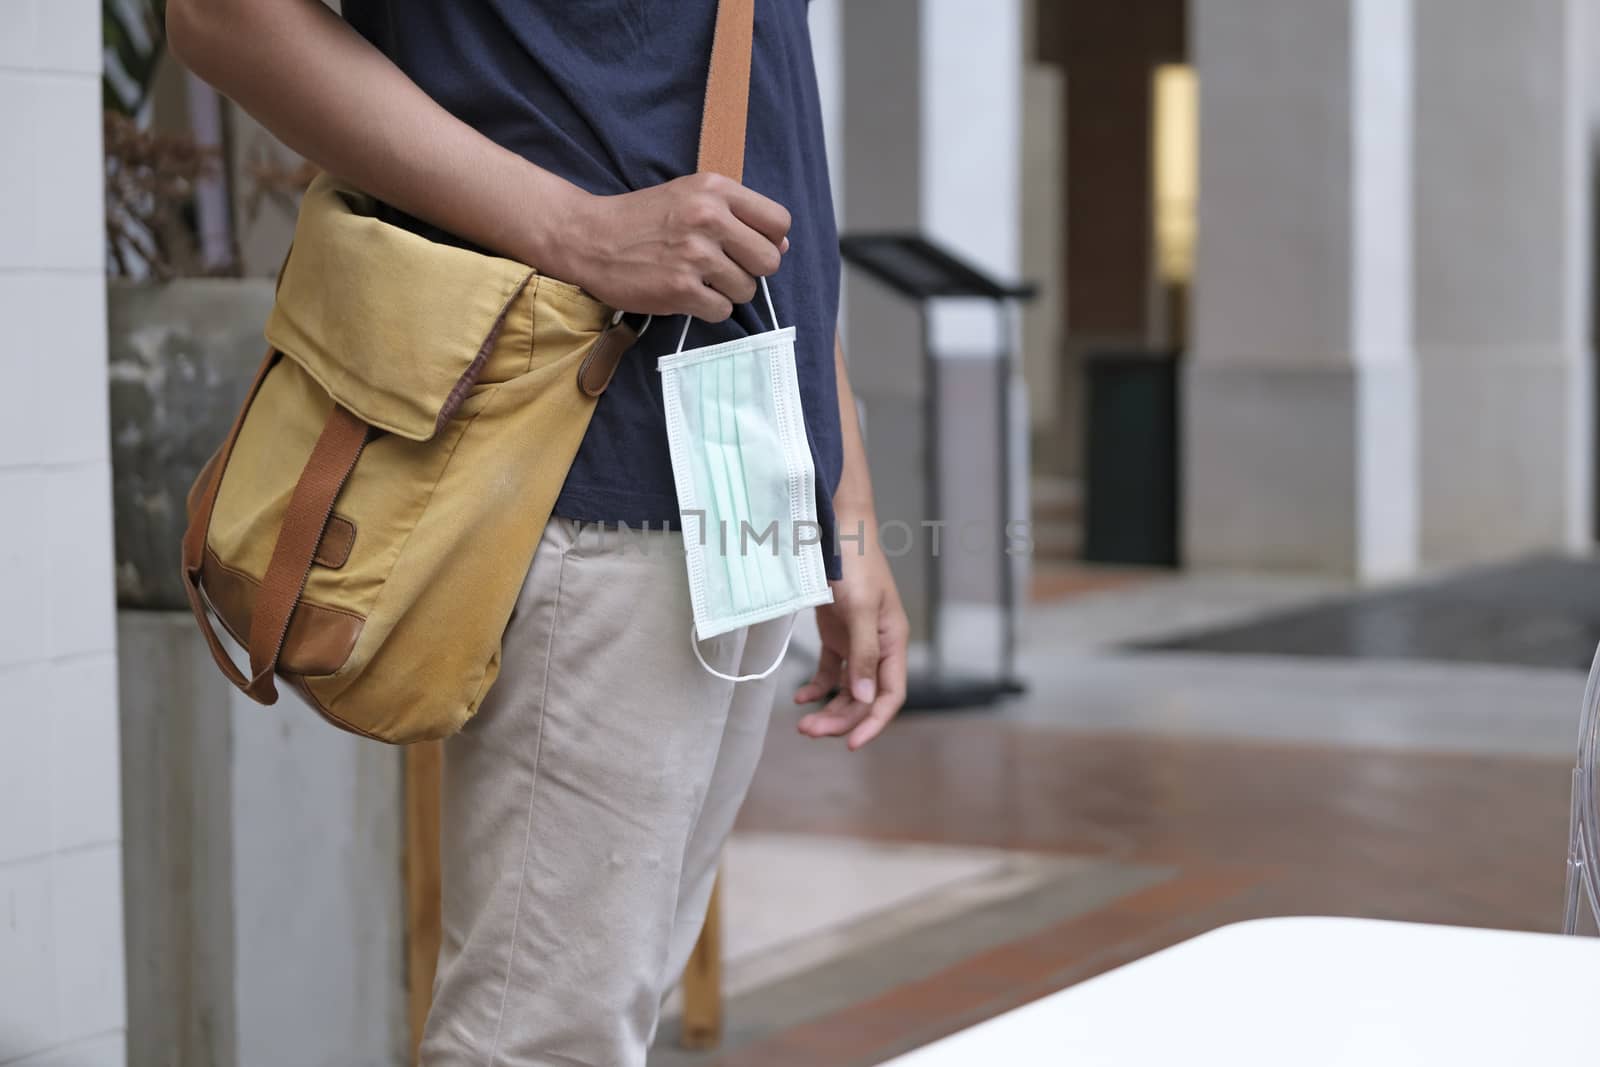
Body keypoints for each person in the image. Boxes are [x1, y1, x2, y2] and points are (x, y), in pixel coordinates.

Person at [165, 1, 909, 1063]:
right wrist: (575, 228)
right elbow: (219, 15)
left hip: (745, 455)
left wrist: (843, 498)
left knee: (608, 1005)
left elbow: (760, 114)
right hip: (575, 432)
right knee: (546, 1032)